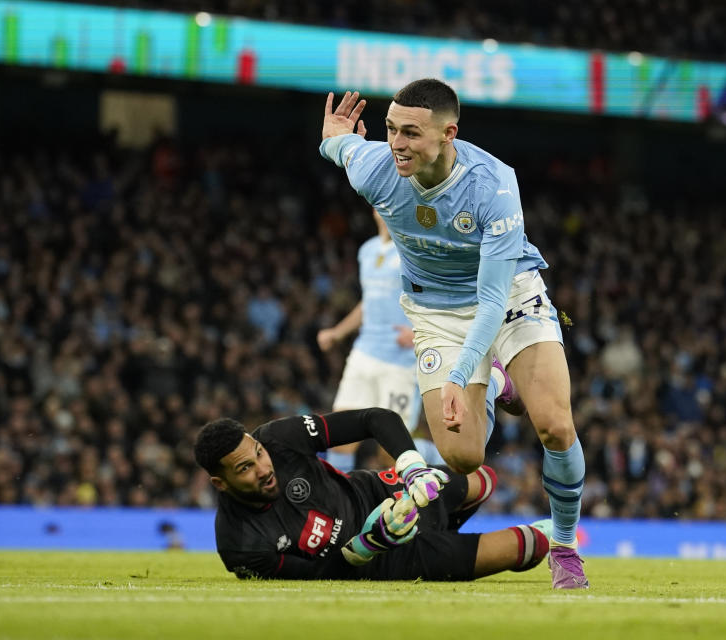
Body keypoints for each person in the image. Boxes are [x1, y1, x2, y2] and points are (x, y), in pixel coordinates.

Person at [318, 79, 587, 589]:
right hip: (435, 312)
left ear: (448, 134)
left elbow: (490, 302)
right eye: (391, 129)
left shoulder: (493, 184)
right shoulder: (376, 169)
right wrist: (331, 139)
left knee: (554, 425)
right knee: (465, 456)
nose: (396, 142)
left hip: (507, 296)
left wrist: (461, 375)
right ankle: (499, 388)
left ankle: (567, 546)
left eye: (411, 133)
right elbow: (341, 146)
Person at [194, 408, 550, 581]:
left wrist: (413, 468)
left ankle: (445, 526)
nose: (263, 467)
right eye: (245, 469)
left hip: (386, 490)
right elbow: (321, 577)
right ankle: (444, 544)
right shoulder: (239, 544)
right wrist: (368, 544)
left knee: (482, 478)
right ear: (219, 483)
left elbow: (374, 419)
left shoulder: (278, 439)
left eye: (257, 453)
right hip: (386, 560)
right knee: (528, 545)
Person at [316, 209, 439, 470]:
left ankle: (438, 457)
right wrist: (337, 333)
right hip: (364, 352)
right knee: (340, 438)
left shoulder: (415, 249)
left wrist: (420, 333)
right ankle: (343, 505)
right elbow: (368, 302)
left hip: (401, 363)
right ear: (373, 210)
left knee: (391, 450)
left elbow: (438, 295)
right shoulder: (367, 251)